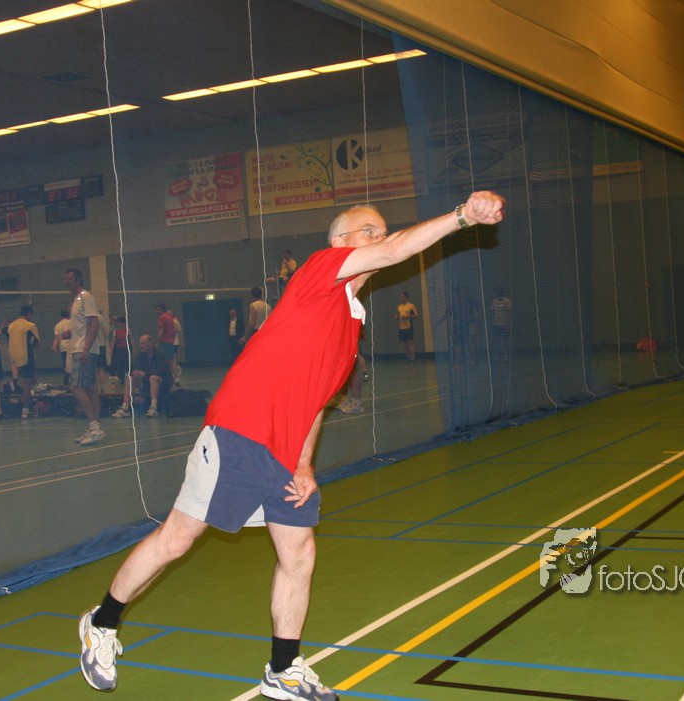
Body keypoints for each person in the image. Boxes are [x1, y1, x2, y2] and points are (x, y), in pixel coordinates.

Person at [76, 191, 506, 698]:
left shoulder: (351, 325)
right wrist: (462, 217)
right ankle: (101, 623)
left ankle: (283, 669)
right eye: (369, 231)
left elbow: (315, 402)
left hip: (285, 454)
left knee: (299, 552)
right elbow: (395, 251)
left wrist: (304, 465)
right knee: (177, 539)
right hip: (241, 429)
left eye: (382, 230)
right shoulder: (320, 271)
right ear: (340, 242)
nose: (381, 238)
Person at [63, 268, 106, 444]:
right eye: (65, 279)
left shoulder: (86, 297)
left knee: (76, 387)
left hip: (83, 349)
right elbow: (83, 325)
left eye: (70, 278)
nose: (66, 281)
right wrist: (71, 334)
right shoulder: (76, 300)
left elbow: (94, 322)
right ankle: (94, 427)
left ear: (78, 280)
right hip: (78, 347)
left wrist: (86, 347)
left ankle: (95, 427)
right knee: (89, 388)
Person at [111, 334, 173, 419]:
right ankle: (125, 408)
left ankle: (153, 407)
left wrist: (145, 374)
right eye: (140, 344)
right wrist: (135, 372)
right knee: (129, 378)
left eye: (143, 344)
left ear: (150, 344)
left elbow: (162, 371)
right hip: (146, 384)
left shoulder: (160, 355)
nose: (140, 346)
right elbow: (135, 367)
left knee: (153, 378)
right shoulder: (141, 355)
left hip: (162, 384)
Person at [7, 305, 40, 419]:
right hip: (26, 357)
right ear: (29, 314)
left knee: (32, 376)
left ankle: (36, 392)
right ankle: (25, 410)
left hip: (14, 357)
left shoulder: (11, 325)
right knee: (27, 383)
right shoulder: (30, 326)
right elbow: (36, 343)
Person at [155, 304, 178, 381]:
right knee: (172, 360)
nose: (156, 311)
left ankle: (168, 377)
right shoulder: (170, 317)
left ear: (162, 310)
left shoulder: (162, 317)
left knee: (165, 361)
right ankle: (176, 378)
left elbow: (161, 331)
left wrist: (158, 342)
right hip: (170, 342)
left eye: (157, 309)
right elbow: (174, 330)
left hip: (164, 342)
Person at [395, 290, 419, 362]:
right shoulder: (399, 307)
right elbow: (397, 315)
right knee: (404, 342)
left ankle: (413, 357)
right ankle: (408, 356)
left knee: (410, 342)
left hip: (409, 326)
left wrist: (408, 316)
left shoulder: (411, 306)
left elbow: (416, 315)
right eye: (400, 296)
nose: (401, 298)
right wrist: (396, 317)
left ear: (406, 297)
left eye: (402, 296)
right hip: (401, 327)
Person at [109, 316, 131, 389]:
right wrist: (111, 349)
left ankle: (127, 377)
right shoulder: (116, 331)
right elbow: (113, 340)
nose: (121, 324)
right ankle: (121, 377)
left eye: (122, 323)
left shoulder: (128, 330)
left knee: (126, 363)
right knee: (120, 363)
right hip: (119, 349)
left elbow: (130, 340)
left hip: (126, 349)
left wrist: (133, 348)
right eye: (119, 323)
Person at [53, 308, 72, 386]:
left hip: (63, 348)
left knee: (66, 366)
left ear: (61, 316)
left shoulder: (58, 325)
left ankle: (66, 383)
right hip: (72, 347)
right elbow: (66, 333)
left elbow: (57, 338)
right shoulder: (71, 322)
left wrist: (54, 346)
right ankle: (70, 382)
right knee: (73, 366)